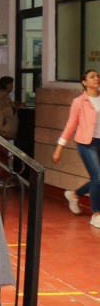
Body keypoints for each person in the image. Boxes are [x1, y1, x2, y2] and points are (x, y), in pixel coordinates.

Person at [53, 69, 100, 229]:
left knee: (98, 178)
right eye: (92, 77)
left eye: (97, 76)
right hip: (87, 143)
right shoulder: (79, 102)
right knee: (98, 178)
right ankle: (96, 215)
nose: (96, 78)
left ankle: (74, 194)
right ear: (84, 82)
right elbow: (70, 125)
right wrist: (59, 147)